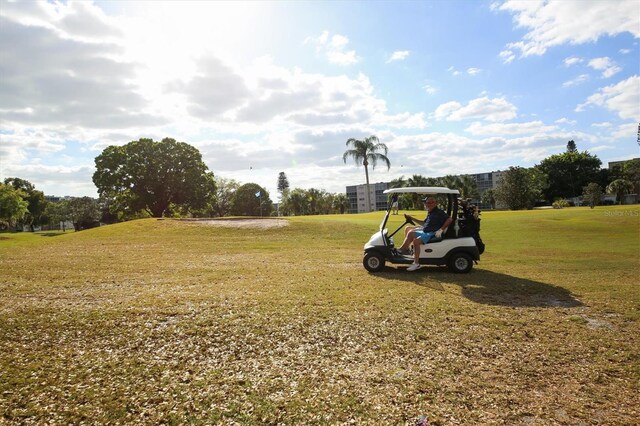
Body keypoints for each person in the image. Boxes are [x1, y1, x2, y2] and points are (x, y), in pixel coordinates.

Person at [396, 196, 453, 271]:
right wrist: (412, 218)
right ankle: (403, 249)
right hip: (426, 231)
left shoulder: (439, 212)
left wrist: (441, 230)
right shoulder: (430, 212)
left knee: (416, 241)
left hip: (432, 233)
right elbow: (423, 223)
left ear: (435, 203)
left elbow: (449, 219)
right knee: (410, 232)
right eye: (427, 203)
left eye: (430, 202)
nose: (428, 204)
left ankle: (416, 263)